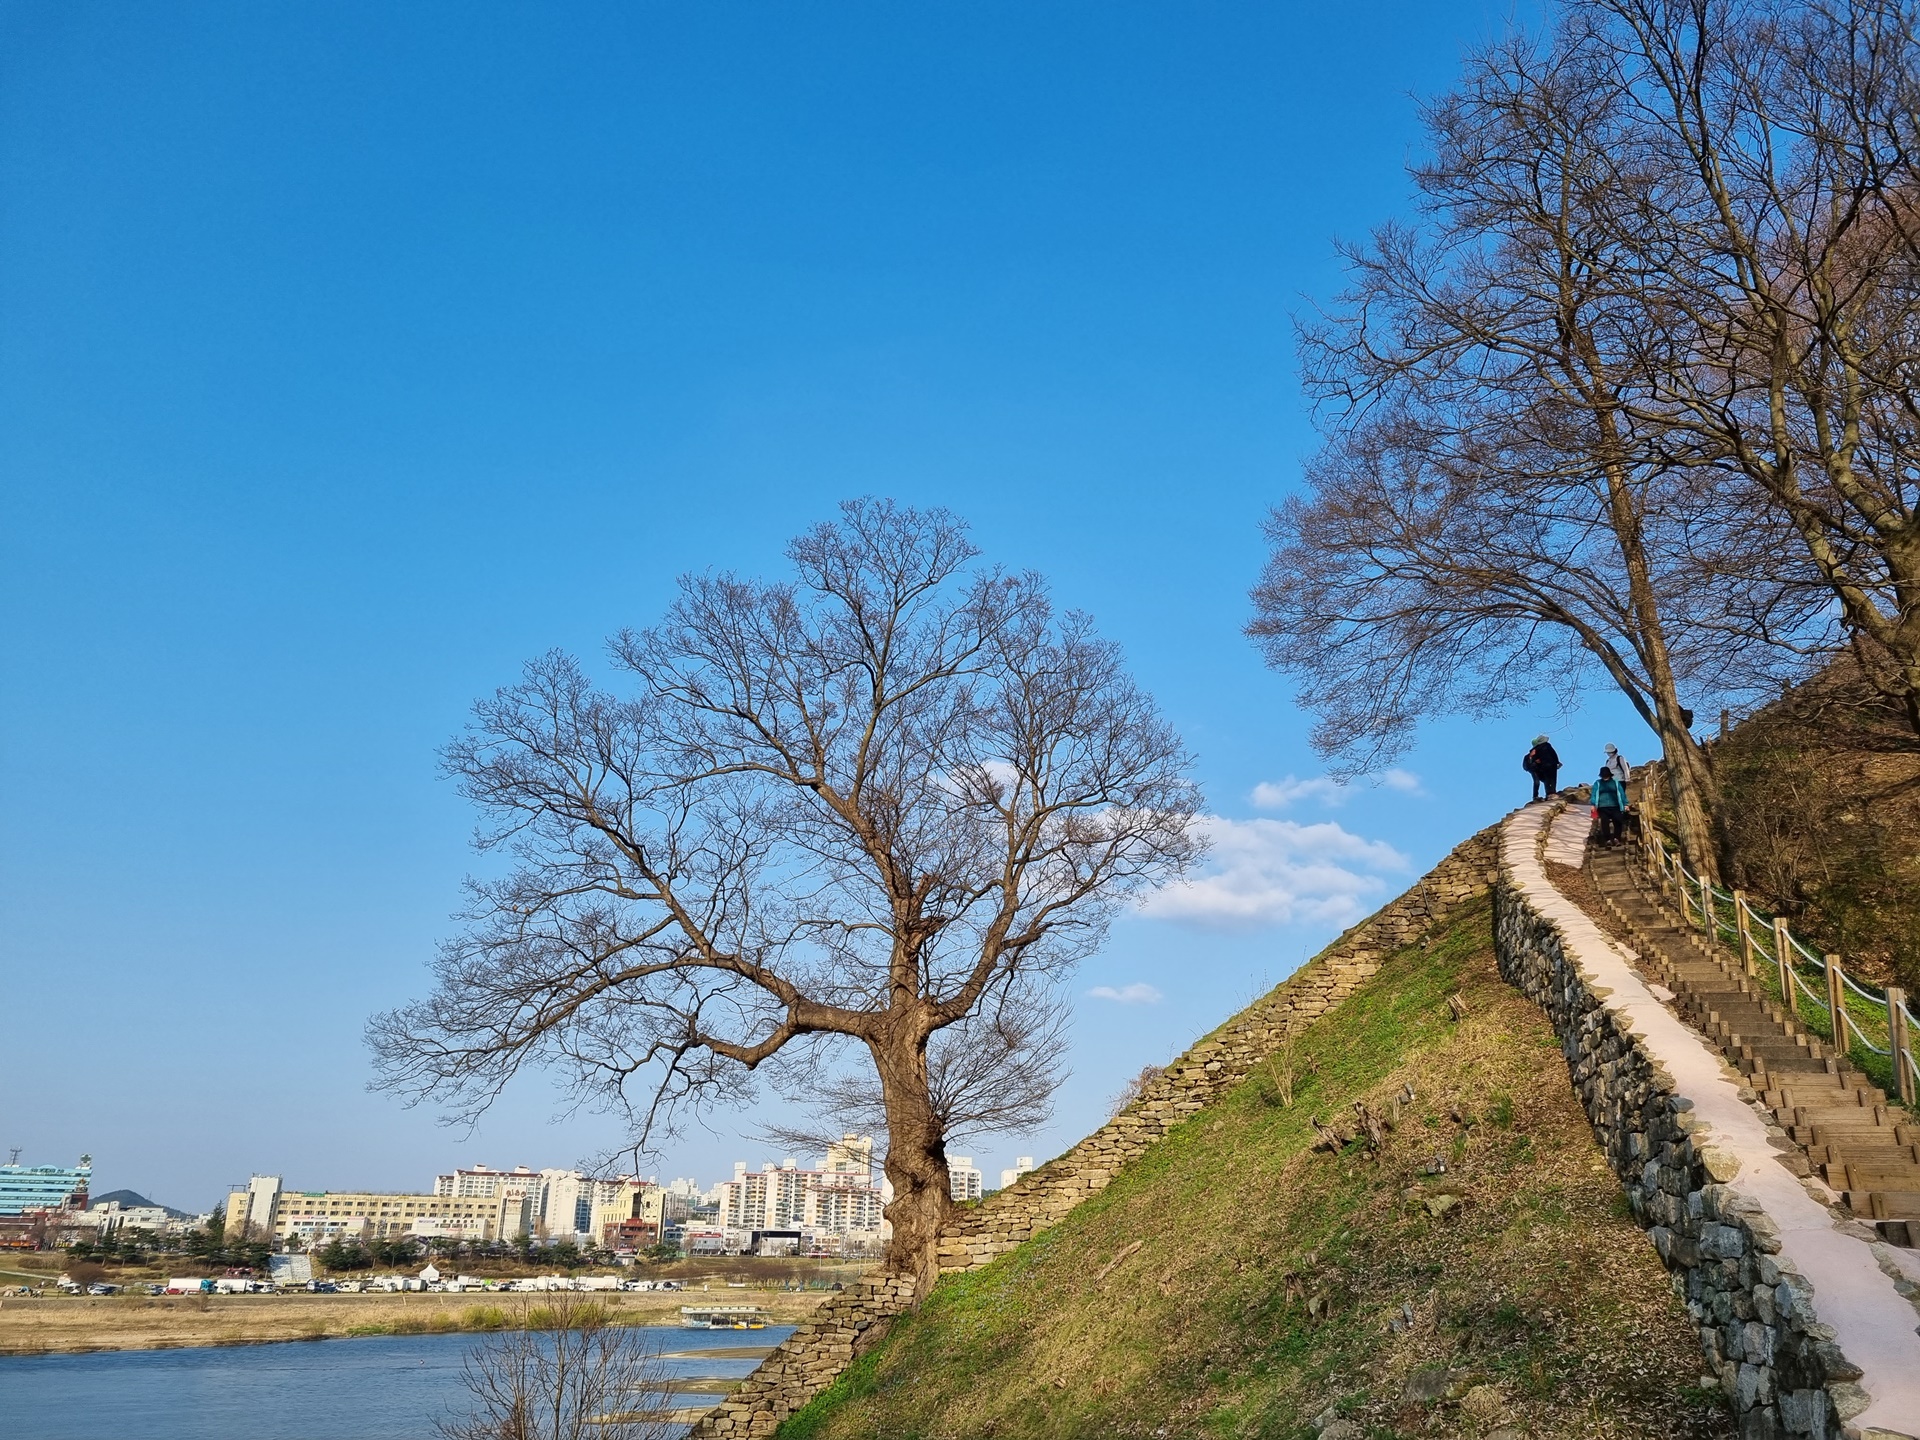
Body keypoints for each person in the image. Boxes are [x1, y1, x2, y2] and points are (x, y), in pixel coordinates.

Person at [1593, 764, 1628, 846]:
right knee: (1604, 822)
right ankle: (1607, 840)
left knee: (1618, 821)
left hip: (1615, 806)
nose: (1605, 777)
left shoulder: (1615, 783)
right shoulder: (1598, 783)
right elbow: (1594, 794)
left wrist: (1625, 804)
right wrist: (1593, 804)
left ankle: (1617, 838)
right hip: (1602, 806)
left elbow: (1621, 794)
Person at [1522, 735, 1561, 801]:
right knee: (1548, 780)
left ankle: (1548, 793)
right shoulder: (1546, 747)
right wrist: (1557, 762)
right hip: (1541, 768)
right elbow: (1554, 754)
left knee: (1547, 780)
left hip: (1542, 768)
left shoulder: (1536, 750)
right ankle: (1549, 793)